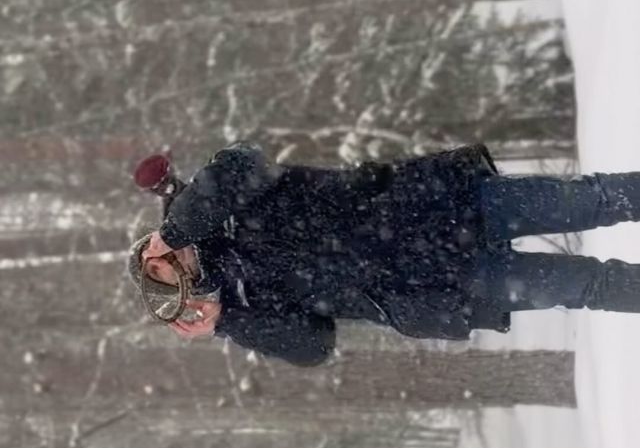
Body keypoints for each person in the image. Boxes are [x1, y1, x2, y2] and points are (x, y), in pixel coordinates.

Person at [128, 141, 640, 366]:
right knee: (587, 285)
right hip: (445, 284)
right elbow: (311, 345)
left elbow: (244, 162)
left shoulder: (220, 203)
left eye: (159, 261)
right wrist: (225, 323)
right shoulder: (243, 301)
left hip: (443, 205)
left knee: (589, 200)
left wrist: (176, 227)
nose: (172, 270)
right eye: (166, 284)